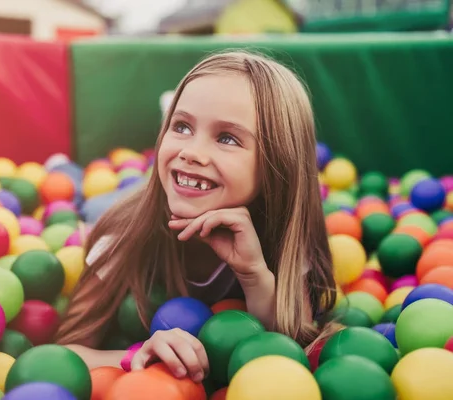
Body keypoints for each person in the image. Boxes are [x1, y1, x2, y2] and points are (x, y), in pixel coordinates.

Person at [54, 50, 338, 383]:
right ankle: (60, 167)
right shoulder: (121, 236)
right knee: (92, 202)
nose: (191, 152)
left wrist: (254, 275)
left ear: (279, 165)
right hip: (119, 205)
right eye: (182, 127)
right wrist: (139, 356)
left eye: (227, 138)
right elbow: (63, 354)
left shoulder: (286, 237)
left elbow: (287, 354)